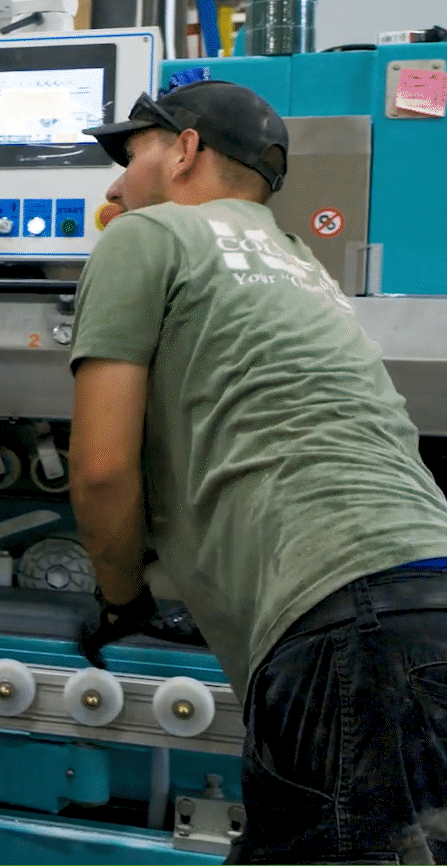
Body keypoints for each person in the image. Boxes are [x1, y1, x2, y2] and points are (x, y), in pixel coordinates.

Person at [70, 79, 447, 864]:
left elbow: (101, 469)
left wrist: (119, 599)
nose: (112, 184)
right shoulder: (302, 264)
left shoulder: (145, 235)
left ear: (184, 149)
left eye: (129, 153)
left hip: (348, 633)